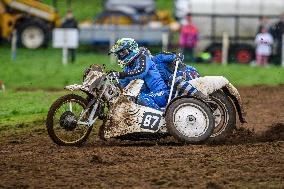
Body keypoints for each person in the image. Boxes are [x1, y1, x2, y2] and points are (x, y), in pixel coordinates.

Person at [108, 38, 169, 111]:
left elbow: (140, 72)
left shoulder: (143, 57)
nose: (120, 55)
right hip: (149, 96)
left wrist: (119, 74)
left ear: (131, 49)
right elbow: (122, 84)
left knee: (139, 97)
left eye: (122, 52)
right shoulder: (128, 68)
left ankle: (162, 117)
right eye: (118, 53)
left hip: (161, 93)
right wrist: (108, 85)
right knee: (127, 99)